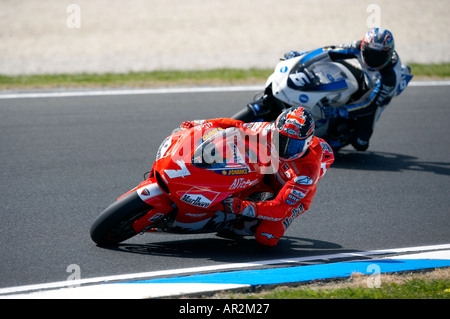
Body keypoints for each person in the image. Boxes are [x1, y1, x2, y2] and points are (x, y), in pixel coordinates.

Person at [181, 107, 334, 247]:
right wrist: (201, 124)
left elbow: (280, 209)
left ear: (306, 143)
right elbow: (236, 125)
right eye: (280, 139)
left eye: (293, 145)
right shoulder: (268, 130)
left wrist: (241, 207)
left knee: (266, 238)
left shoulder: (307, 172)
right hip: (267, 174)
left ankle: (246, 223)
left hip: (290, 199)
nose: (284, 148)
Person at [285, 28, 410, 151]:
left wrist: (341, 111)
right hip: (364, 76)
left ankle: (339, 134)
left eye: (379, 56)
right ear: (363, 48)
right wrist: (301, 55)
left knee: (361, 143)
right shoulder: (358, 46)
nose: (373, 60)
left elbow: (370, 104)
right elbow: (330, 51)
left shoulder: (390, 77)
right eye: (370, 54)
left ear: (388, 55)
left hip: (377, 97)